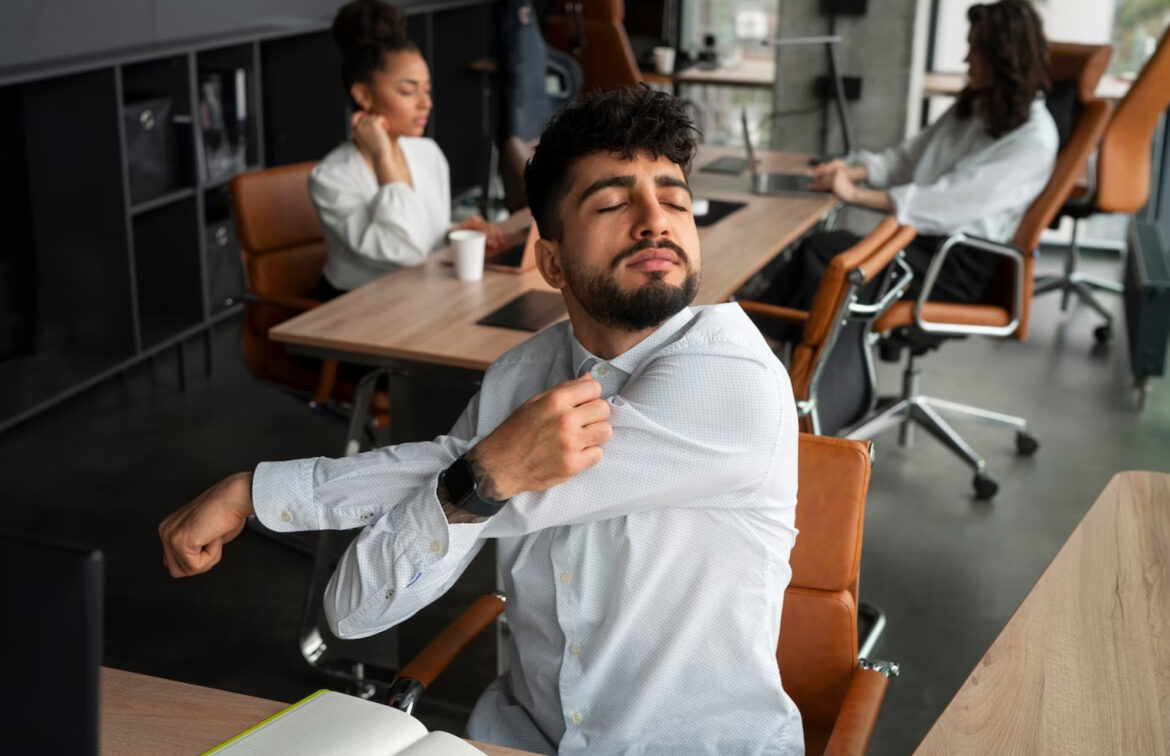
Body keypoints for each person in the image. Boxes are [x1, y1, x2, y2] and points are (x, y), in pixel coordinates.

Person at [160, 86, 805, 755]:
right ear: (549, 260)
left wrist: (265, 491)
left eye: (674, 200)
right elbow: (354, 613)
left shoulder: (733, 380)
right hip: (521, 737)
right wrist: (476, 478)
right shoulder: (522, 373)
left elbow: (471, 477)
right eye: (612, 202)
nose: (654, 220)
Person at [760, 0, 1057, 334]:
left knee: (824, 255)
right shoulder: (977, 107)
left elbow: (943, 203)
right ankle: (767, 345)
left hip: (952, 264)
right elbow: (905, 159)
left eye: (975, 50)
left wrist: (854, 194)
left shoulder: (1033, 139)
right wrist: (852, 171)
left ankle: (771, 348)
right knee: (820, 252)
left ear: (1004, 58)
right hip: (919, 245)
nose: (965, 60)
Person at [310, 0, 517, 297]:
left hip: (420, 294)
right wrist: (384, 159)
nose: (425, 102)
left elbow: (418, 239)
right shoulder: (331, 176)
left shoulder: (426, 152)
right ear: (363, 94)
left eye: (427, 89)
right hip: (355, 309)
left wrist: (453, 231)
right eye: (408, 91)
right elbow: (403, 250)